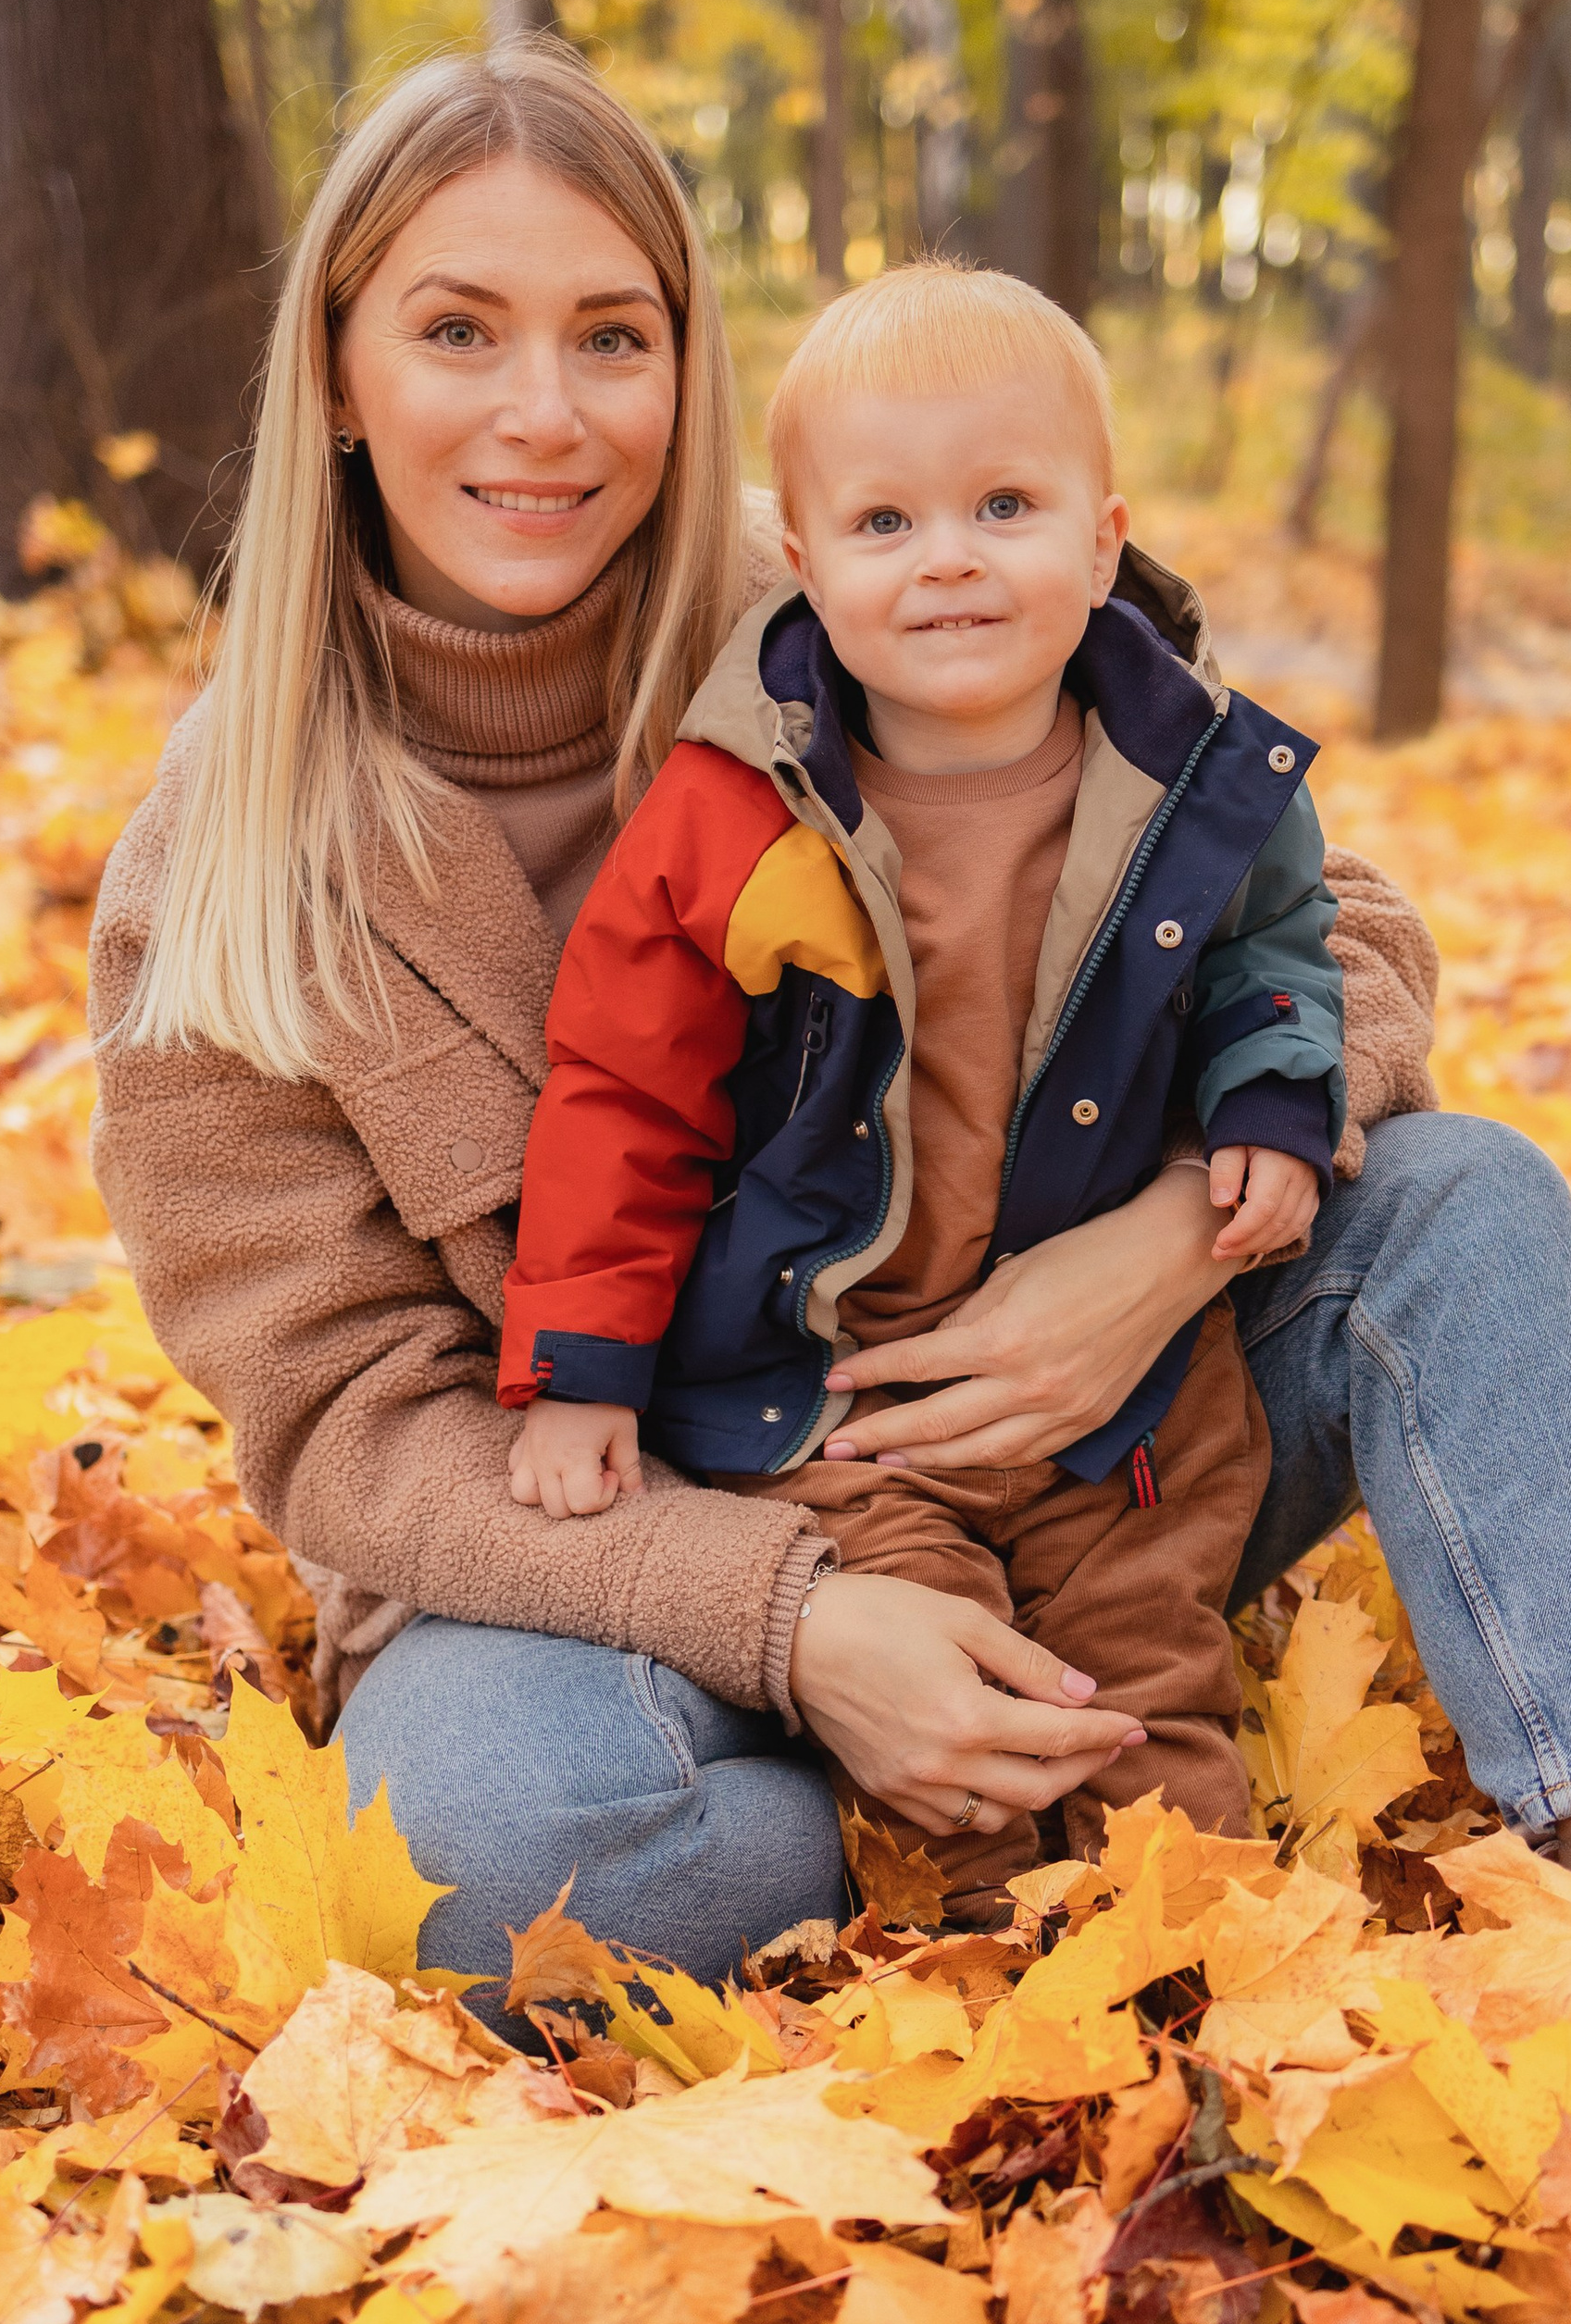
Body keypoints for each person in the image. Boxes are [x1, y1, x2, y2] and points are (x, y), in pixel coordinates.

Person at [86, 39, 1571, 2315]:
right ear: (338, 373)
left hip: (1097, 1438)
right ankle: (954, 1803)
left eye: (611, 336)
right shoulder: (226, 860)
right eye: (457, 330)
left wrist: (1155, 1255)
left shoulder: (884, 577)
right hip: (602, 1571)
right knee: (486, 1857)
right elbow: (352, 1428)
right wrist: (796, 1623)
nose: (540, 414)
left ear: (687, 365)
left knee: (1467, 1202)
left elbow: (1329, 933)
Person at [498, 263, 1347, 1905]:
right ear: (807, 569)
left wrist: (1270, 1104)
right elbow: (623, 1096)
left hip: (1125, 1398)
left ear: (1102, 542)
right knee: (955, 1718)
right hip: (840, 1401)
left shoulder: (1192, 775)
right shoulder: (733, 813)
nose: (949, 555)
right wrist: (582, 1367)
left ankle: (1197, 1959)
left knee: (1144, 1685)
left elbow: (1281, 948)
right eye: (886, 523)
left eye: (1004, 506)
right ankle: (982, 1973)